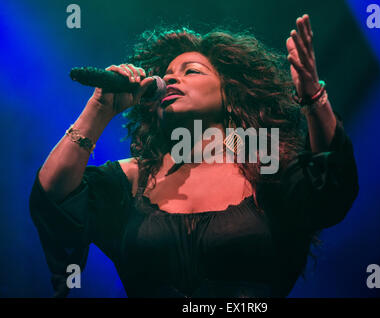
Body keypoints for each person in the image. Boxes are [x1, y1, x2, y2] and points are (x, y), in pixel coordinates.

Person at [29, 14, 359, 298]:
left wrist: (313, 97)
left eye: (192, 71)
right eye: (169, 73)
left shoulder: (265, 163)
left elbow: (331, 185)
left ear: (230, 97)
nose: (172, 77)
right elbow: (52, 197)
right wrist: (99, 108)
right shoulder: (133, 178)